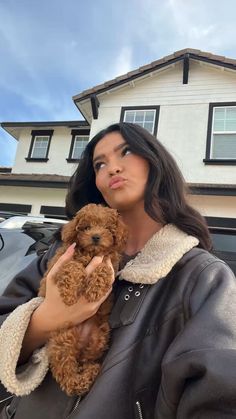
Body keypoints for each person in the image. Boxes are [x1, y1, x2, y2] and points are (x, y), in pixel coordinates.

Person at [0, 122, 235, 419]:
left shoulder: (203, 277)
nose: (112, 168)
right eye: (100, 164)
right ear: (95, 181)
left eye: (126, 152)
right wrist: (45, 320)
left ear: (154, 160)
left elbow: (219, 394)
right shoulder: (58, 257)